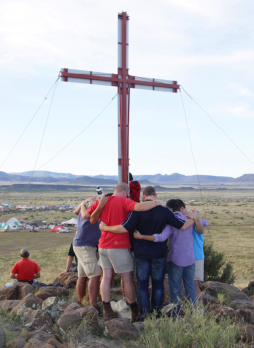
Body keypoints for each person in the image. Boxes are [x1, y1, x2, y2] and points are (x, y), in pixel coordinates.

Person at [99, 186, 194, 320]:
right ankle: (156, 314)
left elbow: (123, 228)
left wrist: (105, 228)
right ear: (155, 195)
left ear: (144, 196)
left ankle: (143, 315)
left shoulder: (137, 210)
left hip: (141, 254)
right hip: (159, 254)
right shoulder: (165, 211)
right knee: (158, 284)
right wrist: (194, 218)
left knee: (142, 285)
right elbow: (182, 226)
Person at [84, 183, 166, 321]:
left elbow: (91, 219)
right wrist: (158, 202)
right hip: (118, 245)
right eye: (127, 194)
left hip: (103, 245)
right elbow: (140, 207)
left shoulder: (102, 200)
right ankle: (134, 310)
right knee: (127, 278)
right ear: (124, 192)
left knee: (106, 277)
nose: (128, 196)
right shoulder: (123, 201)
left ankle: (107, 310)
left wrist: (99, 206)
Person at [134, 198, 208, 317]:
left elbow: (161, 237)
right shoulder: (190, 219)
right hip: (190, 260)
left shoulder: (171, 222)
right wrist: (194, 216)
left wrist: (142, 236)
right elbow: (205, 223)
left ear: (169, 209)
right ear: (181, 208)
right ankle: (193, 313)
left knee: (175, 289)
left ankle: (176, 315)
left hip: (176, 260)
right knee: (190, 287)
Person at [72, 197, 105, 310]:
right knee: (95, 274)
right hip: (85, 246)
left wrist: (83, 203)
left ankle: (81, 302)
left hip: (81, 245)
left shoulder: (83, 210)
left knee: (82, 275)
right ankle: (93, 306)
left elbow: (76, 212)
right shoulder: (91, 213)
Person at [191, 210, 209, 299]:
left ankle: (199, 308)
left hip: (196, 257)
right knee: (193, 285)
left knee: (195, 285)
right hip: (195, 256)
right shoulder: (197, 224)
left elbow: (204, 223)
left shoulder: (196, 224)